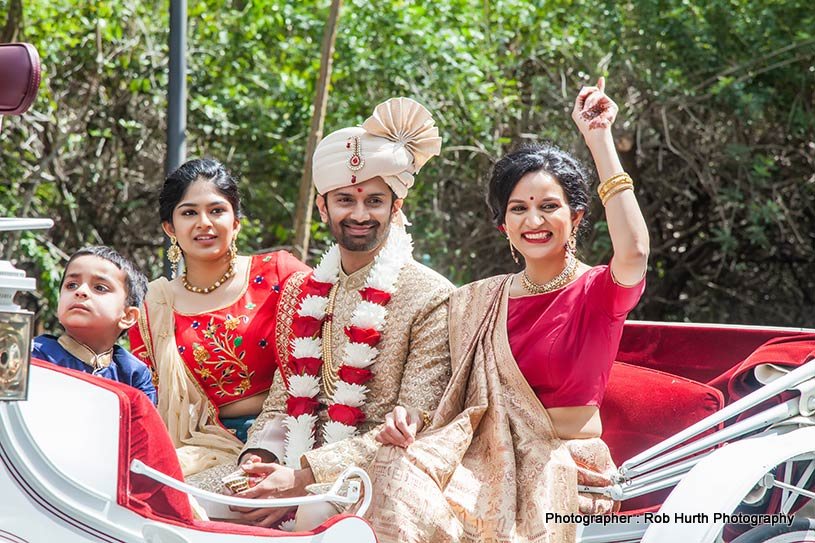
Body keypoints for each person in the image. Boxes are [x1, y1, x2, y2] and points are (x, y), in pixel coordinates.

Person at [368, 77, 649, 542]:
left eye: (549, 206)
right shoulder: (477, 300)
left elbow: (635, 252)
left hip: (563, 462)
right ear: (503, 225)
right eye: (518, 208)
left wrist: (599, 138)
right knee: (395, 470)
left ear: (576, 216)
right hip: (479, 458)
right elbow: (444, 389)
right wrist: (410, 416)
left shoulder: (598, 292)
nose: (533, 221)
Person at [189, 97, 455, 531]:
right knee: (191, 501)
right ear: (323, 206)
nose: (360, 213)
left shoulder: (431, 295)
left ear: (396, 207)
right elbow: (281, 397)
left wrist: (302, 478)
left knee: (315, 519)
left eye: (374, 200)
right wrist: (261, 463)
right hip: (289, 458)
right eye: (346, 199)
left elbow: (413, 425)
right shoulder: (300, 290)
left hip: (370, 471)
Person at [128, 158, 310, 477]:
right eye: (189, 213)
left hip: (285, 433)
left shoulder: (279, 273)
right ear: (170, 228)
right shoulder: (153, 308)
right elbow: (149, 399)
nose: (204, 223)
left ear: (236, 221)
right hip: (199, 446)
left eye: (216, 210)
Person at [33, 246, 156, 404]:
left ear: (127, 316)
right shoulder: (35, 356)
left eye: (99, 288)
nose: (80, 291)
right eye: (71, 285)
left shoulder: (134, 375)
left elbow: (143, 426)